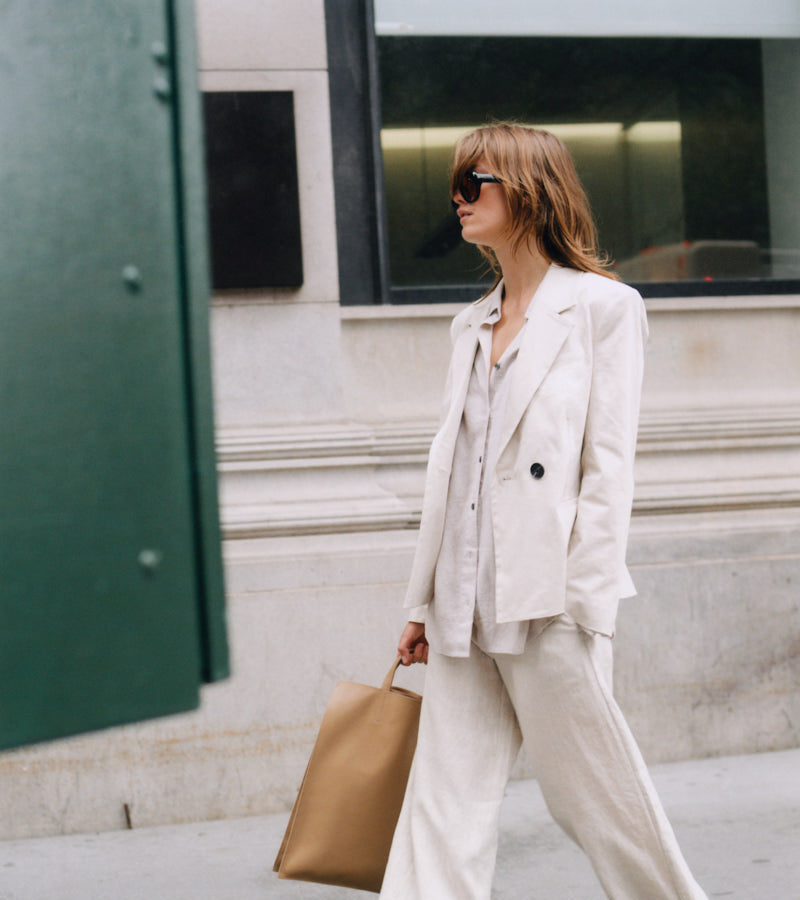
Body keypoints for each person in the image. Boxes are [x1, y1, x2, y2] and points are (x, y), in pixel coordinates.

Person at [380, 123, 708, 900]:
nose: (458, 201)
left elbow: (609, 465)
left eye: (473, 184)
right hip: (462, 601)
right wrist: (422, 601)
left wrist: (586, 604)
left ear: (528, 189)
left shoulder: (603, 308)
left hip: (547, 599)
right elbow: (453, 470)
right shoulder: (471, 324)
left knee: (596, 801)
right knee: (444, 806)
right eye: (455, 187)